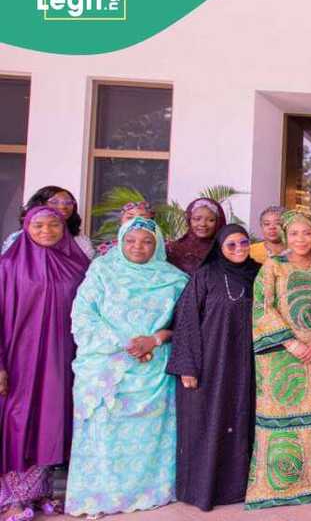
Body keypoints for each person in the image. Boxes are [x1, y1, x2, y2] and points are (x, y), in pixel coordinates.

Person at [65, 217, 188, 516]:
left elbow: (187, 326)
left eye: (147, 241)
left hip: (153, 369)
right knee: (104, 432)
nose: (138, 247)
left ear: (158, 245)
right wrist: (127, 344)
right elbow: (83, 316)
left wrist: (155, 340)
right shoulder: (102, 271)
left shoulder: (174, 279)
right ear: (120, 242)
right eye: (131, 240)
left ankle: (150, 492)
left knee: (150, 436)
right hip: (107, 368)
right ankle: (101, 496)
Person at [0, 207, 90, 521]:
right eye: (38, 225)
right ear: (26, 227)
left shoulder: (79, 265)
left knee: (50, 422)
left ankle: (39, 494)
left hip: (61, 359)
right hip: (18, 360)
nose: (46, 230)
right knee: (17, 421)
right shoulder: (8, 266)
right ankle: (12, 498)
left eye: (54, 224)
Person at [165, 224, 259, 511]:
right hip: (211, 364)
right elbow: (186, 322)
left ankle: (239, 488)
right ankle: (203, 490)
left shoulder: (259, 274)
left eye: (244, 243)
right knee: (208, 422)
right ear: (219, 247)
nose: (239, 249)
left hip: (248, 365)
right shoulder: (205, 276)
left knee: (242, 420)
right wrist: (187, 367)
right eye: (231, 245)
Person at [245, 210, 311, 509]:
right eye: (294, 233)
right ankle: (278, 486)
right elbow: (261, 307)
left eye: (307, 233)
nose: (301, 239)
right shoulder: (273, 266)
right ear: (285, 235)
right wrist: (290, 341)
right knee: (280, 421)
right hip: (282, 356)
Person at [2, 186, 95, 259]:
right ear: (40, 204)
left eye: (68, 202)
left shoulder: (80, 241)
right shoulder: (18, 239)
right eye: (54, 202)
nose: (63, 207)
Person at [167, 197, 227, 275]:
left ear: (218, 222)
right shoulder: (173, 250)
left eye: (210, 220)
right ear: (189, 220)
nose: (203, 224)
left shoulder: (228, 250)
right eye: (197, 219)